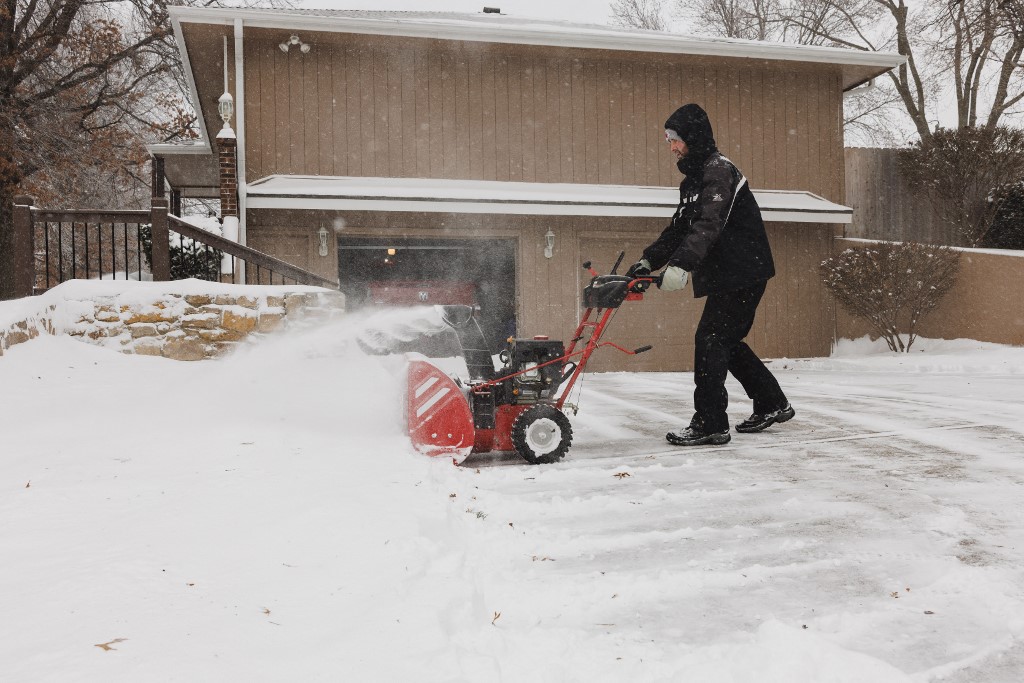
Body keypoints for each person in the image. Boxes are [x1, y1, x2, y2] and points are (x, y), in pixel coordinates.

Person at [626, 103, 794, 446]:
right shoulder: (693, 181)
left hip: (743, 270)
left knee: (711, 340)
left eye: (676, 139)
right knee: (725, 341)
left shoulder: (719, 172)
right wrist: (648, 261)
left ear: (694, 137)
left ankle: (711, 421)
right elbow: (678, 229)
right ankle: (771, 402)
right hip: (729, 273)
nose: (672, 146)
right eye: (668, 140)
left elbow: (709, 224)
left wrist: (683, 264)